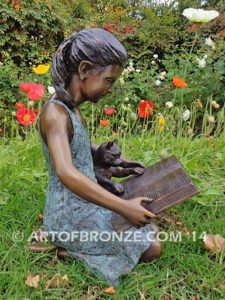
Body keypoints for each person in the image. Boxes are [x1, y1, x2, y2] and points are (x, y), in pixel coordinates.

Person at [37, 28, 162, 287]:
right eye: (108, 80)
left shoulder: (70, 109)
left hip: (86, 201)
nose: (110, 89)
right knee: (152, 247)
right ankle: (67, 248)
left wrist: (110, 159)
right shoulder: (54, 114)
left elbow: (79, 144)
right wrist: (122, 207)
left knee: (145, 226)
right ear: (84, 69)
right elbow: (66, 172)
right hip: (68, 215)